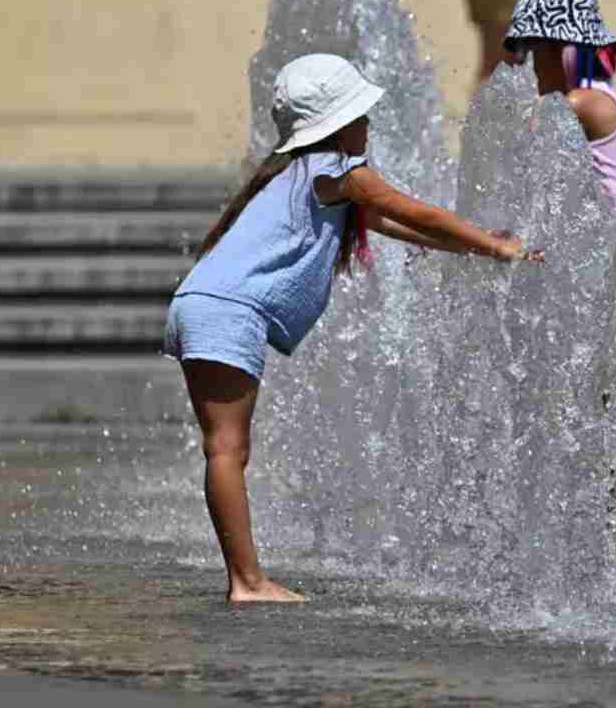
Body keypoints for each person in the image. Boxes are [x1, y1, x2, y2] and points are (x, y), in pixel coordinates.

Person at [163, 54, 542, 602]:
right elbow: (416, 211)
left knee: (224, 447)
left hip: (202, 302)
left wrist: (487, 251)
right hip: (225, 311)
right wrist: (499, 243)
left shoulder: (300, 177)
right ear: (339, 124)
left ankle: (246, 579)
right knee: (226, 448)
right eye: (362, 115)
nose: (369, 125)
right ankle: (246, 583)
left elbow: (401, 227)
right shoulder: (336, 171)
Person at [503, 0, 616, 217]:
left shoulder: (581, 104)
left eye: (525, 49)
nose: (519, 62)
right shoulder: (598, 93)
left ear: (556, 50)